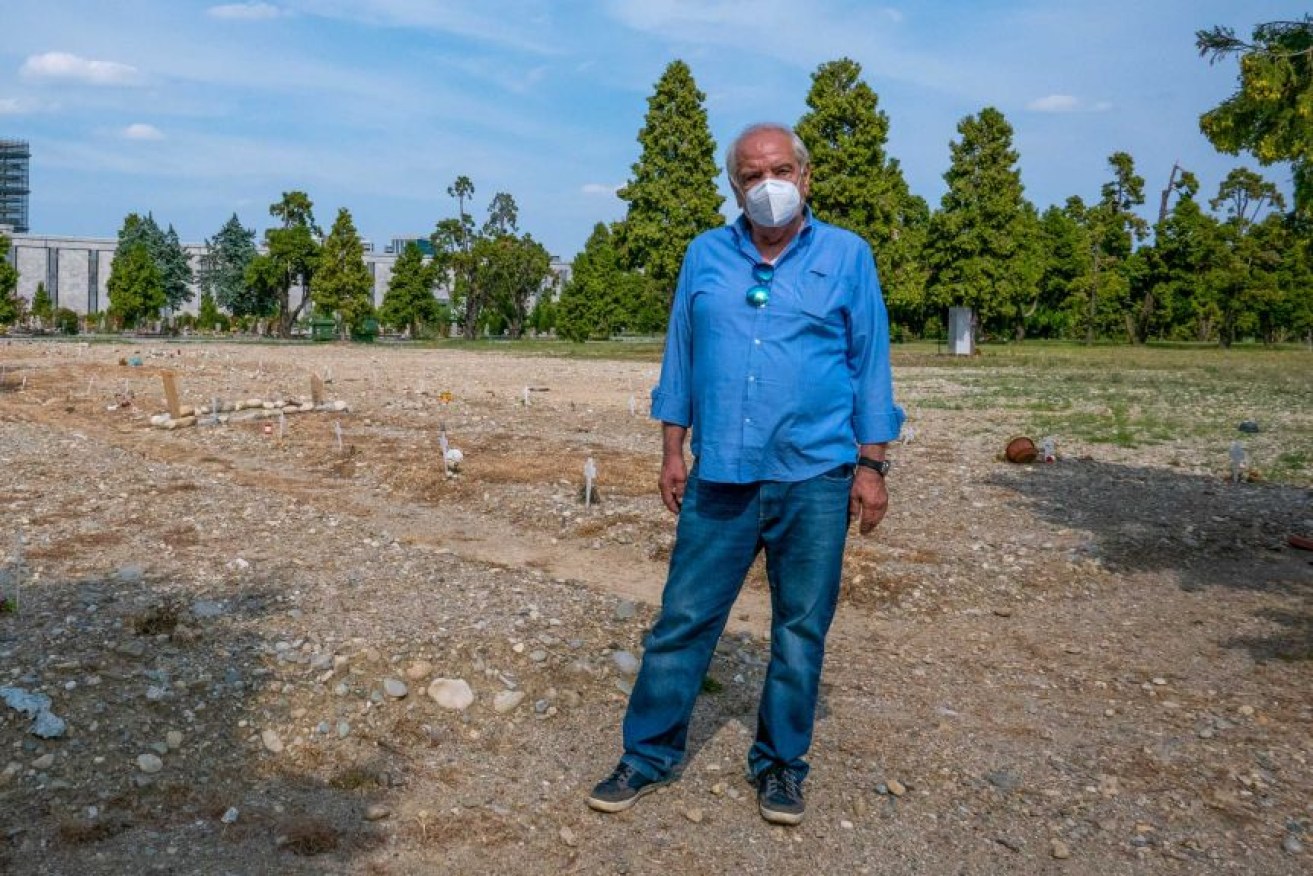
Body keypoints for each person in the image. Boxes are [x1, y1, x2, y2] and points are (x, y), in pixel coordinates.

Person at [587, 122, 904, 825]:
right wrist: (672, 450)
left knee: (799, 630)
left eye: (781, 171)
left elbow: (869, 363)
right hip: (720, 476)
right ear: (733, 185)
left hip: (815, 476)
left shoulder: (847, 256)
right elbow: (681, 357)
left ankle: (781, 767)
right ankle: (646, 754)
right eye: (752, 175)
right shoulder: (705, 256)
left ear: (806, 176)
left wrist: (872, 465)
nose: (768, 187)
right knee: (683, 621)